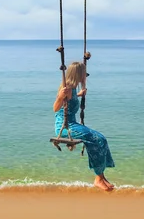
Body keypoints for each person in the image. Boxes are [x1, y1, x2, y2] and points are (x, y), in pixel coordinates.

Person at [53, 61, 116, 191]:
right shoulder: (67, 89)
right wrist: (60, 97)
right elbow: (55, 108)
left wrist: (80, 94)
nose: (85, 76)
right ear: (78, 74)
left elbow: (72, 98)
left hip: (73, 124)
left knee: (101, 139)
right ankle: (98, 178)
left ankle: (102, 176)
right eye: (84, 74)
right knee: (97, 139)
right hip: (65, 127)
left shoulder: (73, 88)